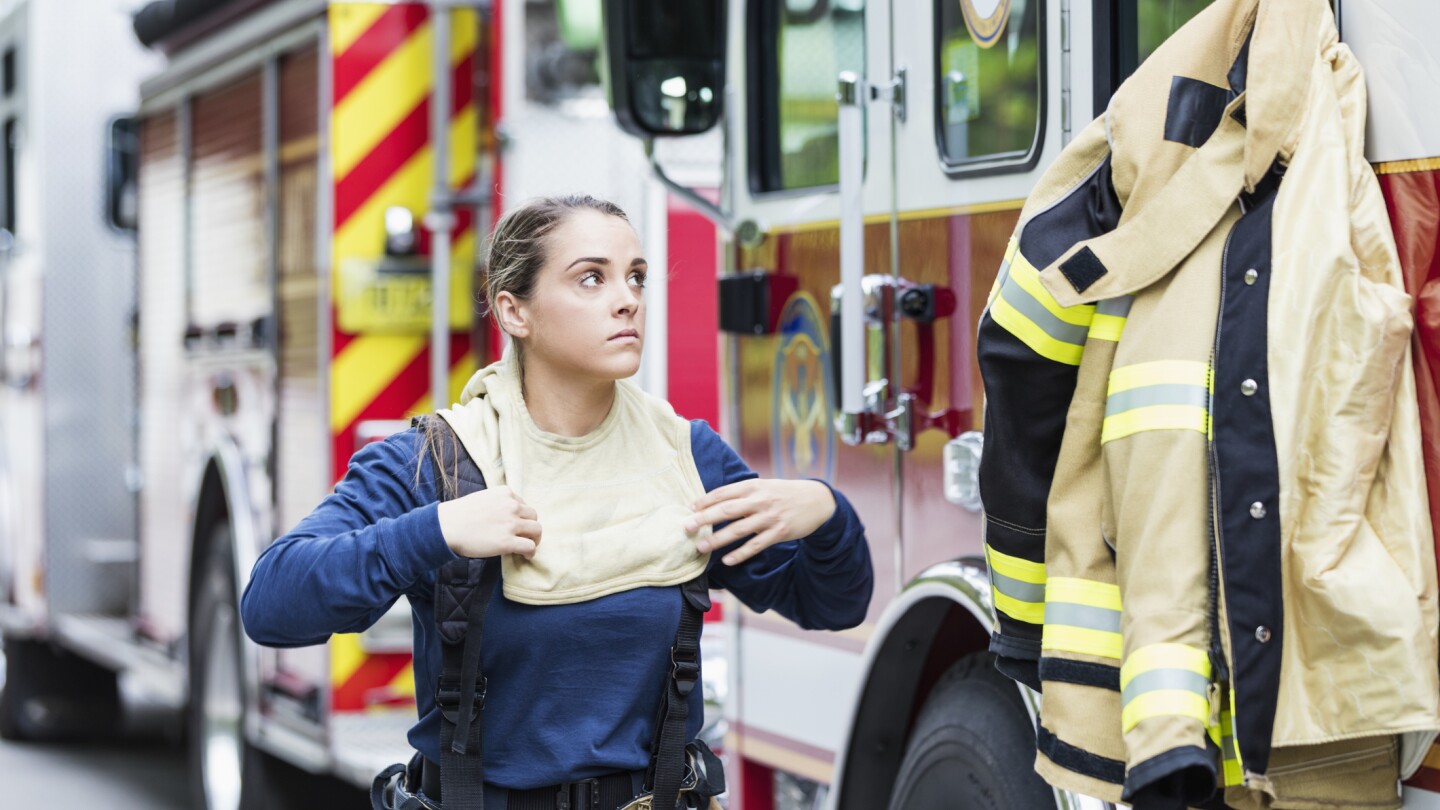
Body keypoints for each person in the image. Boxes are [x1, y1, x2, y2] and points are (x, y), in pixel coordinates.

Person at [240, 194, 874, 810]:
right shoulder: (438, 462)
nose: (628, 299)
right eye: (591, 279)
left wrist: (827, 516)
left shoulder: (686, 458)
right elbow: (271, 605)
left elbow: (832, 606)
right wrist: (434, 531)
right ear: (514, 312)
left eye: (637, 277)